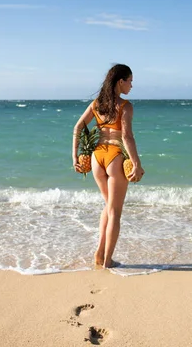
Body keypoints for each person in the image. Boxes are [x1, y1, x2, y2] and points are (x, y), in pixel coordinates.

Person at [72, 64, 145, 268]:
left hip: (97, 158)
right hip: (114, 158)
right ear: (120, 81)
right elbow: (126, 136)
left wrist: (75, 157)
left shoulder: (96, 105)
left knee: (108, 207)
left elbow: (78, 127)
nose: (131, 85)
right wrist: (137, 164)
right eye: (130, 81)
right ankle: (107, 261)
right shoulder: (125, 106)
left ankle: (99, 253)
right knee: (115, 212)